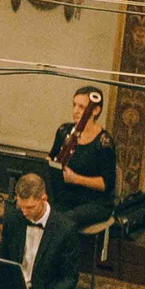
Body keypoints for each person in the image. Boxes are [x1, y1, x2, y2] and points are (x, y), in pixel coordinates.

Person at [43, 85, 118, 232]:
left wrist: (76, 179)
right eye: (74, 105)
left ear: (96, 110)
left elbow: (107, 184)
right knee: (38, 211)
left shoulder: (104, 142)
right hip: (66, 196)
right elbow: (50, 157)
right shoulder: (64, 131)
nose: (75, 111)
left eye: (81, 107)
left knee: (63, 221)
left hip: (94, 202)